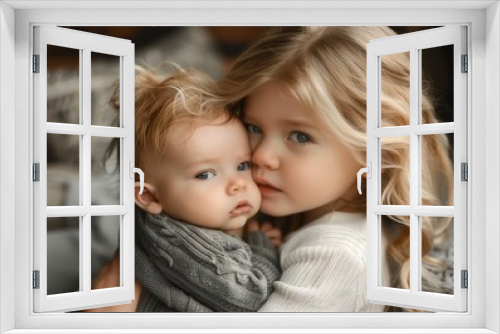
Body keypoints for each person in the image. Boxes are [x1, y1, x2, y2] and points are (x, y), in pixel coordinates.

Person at [212, 26, 454, 312]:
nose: (262, 155)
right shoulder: (344, 222)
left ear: (374, 148)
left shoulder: (333, 255)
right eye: (254, 127)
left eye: (301, 136)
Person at [86, 66, 281, 312]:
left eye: (242, 165)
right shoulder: (184, 240)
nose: (238, 184)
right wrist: (262, 248)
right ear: (148, 196)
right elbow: (250, 298)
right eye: (205, 174)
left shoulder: (173, 220)